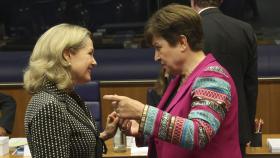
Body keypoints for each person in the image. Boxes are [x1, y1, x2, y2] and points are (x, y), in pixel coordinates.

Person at [104, 4, 241, 158]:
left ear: (182, 42)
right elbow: (175, 129)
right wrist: (142, 129)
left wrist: (142, 113)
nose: (156, 57)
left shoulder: (213, 78)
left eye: (158, 47)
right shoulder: (180, 79)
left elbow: (199, 134)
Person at [24, 23, 119, 158]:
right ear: (67, 55)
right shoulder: (48, 106)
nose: (94, 62)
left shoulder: (65, 95)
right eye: (90, 53)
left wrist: (104, 135)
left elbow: (75, 147)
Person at [190, 0, 258, 156]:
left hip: (198, 128)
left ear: (193, 2)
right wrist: (247, 129)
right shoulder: (245, 30)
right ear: (220, 1)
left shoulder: (191, 31)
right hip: (237, 128)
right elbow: (250, 86)